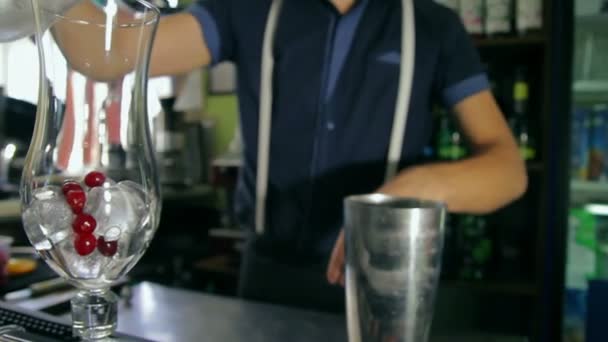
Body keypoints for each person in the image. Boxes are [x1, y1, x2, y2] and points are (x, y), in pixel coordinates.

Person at [66, 0, 528, 313]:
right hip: (268, 278)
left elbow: (507, 170)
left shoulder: (433, 25)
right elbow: (111, 53)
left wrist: (411, 190)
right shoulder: (249, 8)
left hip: (378, 289)